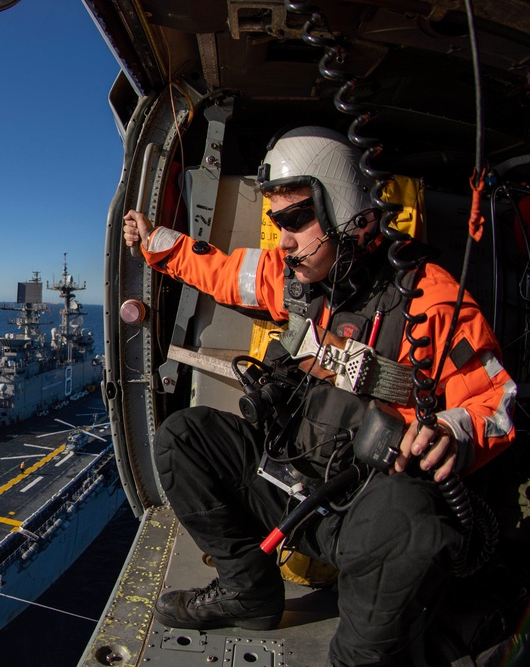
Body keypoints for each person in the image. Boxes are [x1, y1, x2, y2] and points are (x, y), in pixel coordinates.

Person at [122, 126, 516, 667]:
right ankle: (248, 590)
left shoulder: (430, 298)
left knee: (410, 518)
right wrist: (154, 242)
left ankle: (360, 657)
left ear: (349, 210)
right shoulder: (302, 279)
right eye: (277, 222)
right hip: (289, 482)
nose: (281, 240)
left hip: (358, 513)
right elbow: (224, 271)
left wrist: (451, 431)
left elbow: (500, 400)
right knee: (181, 439)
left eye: (294, 221)